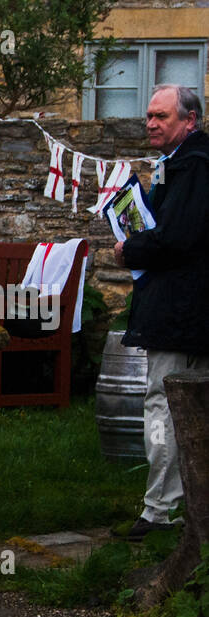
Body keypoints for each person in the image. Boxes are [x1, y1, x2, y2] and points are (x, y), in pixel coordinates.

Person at [114, 83, 209, 540]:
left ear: (189, 120)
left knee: (164, 406)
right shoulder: (179, 165)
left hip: (184, 313)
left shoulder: (194, 167)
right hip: (185, 310)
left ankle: (160, 511)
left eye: (162, 116)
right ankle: (187, 508)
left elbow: (177, 238)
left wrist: (128, 248)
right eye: (149, 116)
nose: (151, 123)